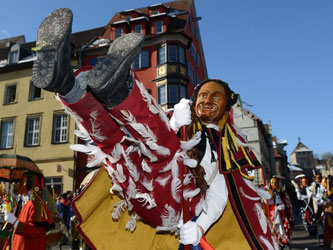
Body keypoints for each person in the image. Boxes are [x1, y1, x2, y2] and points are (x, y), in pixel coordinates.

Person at [32, 8, 277, 249]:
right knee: (115, 146)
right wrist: (176, 123)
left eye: (215, 96)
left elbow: (220, 193)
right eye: (202, 95)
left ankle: (120, 90)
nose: (206, 100)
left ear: (227, 107)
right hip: (137, 186)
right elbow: (151, 138)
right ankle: (66, 85)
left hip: (175, 207)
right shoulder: (186, 124)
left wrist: (202, 225)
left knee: (166, 151)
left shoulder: (223, 145)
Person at [3, 172, 55, 250]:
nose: (20, 185)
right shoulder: (27, 202)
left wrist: (14, 221)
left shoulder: (36, 204)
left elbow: (34, 231)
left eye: (23, 182)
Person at [267, 176, 293, 248]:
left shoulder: (281, 192)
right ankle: (279, 242)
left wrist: (283, 206)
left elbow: (285, 202)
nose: (273, 184)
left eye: (275, 182)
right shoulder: (268, 193)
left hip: (282, 213)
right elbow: (267, 204)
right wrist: (274, 207)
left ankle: (284, 241)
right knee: (276, 228)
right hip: (273, 214)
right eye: (272, 182)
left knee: (283, 227)